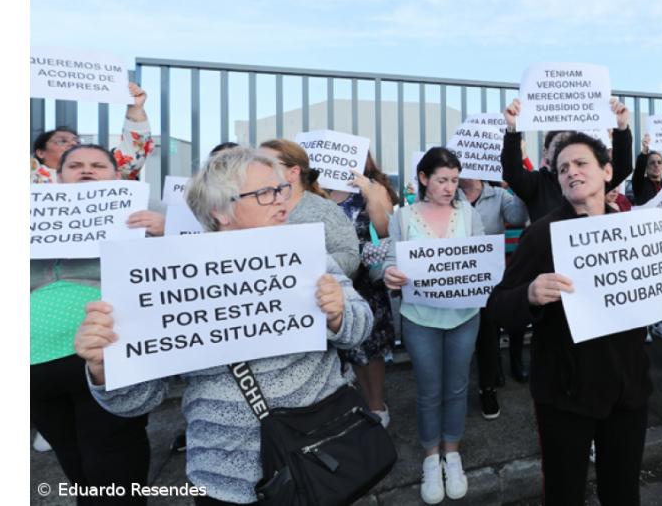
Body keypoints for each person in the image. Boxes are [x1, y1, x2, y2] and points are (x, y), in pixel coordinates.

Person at [74, 147, 374, 505]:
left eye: (281, 189)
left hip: (324, 452)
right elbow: (136, 401)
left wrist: (340, 314)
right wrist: (104, 369)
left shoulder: (308, 255)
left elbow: (360, 329)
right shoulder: (165, 277)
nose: (282, 201)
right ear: (220, 211)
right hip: (225, 477)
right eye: (266, 193)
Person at [486, 132, 662, 506]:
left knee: (622, 491)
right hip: (564, 392)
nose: (571, 172)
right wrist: (529, 295)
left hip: (628, 389)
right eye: (563, 168)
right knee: (564, 491)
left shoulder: (641, 229)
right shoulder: (541, 234)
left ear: (607, 171)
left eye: (581, 163)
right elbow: (497, 307)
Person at [31, 144, 152, 505]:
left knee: (114, 461)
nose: (87, 170)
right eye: (76, 165)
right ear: (57, 175)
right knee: (73, 461)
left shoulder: (139, 217)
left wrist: (165, 228)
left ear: (118, 176)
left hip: (105, 357)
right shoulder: (26, 215)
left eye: (98, 165)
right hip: (34, 363)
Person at [378, 147, 484, 504]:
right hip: (420, 318)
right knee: (427, 390)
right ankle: (430, 458)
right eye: (442, 180)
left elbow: (481, 259)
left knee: (456, 387)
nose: (449, 187)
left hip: (464, 317)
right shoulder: (403, 217)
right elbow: (391, 260)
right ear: (423, 179)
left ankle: (451, 454)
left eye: (454, 180)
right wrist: (390, 274)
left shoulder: (469, 214)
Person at [328, 152, 400, 428]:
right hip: (335, 279)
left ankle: (376, 403)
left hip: (366, 281)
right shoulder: (320, 193)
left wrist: (369, 194)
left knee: (372, 343)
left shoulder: (373, 187)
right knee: (351, 345)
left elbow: (384, 230)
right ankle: (364, 399)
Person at [458, 177, 530, 419]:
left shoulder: (498, 195)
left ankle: (487, 388)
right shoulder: (450, 193)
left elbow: (518, 217)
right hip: (455, 276)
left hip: (488, 277)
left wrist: (520, 184)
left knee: (488, 333)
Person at [501, 97, 634, 223]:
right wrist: (512, 129)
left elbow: (623, 166)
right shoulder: (536, 183)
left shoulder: (591, 178)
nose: (563, 151)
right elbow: (512, 172)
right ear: (545, 153)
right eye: (557, 146)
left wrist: (621, 127)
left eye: (567, 146)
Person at [258, 139, 361, 277]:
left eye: (266, 164)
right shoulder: (251, 206)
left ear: (293, 172)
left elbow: (350, 257)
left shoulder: (325, 210)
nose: (256, 169)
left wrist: (302, 267)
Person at [32, 82, 155, 184]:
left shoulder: (107, 173)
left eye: (77, 141)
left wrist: (136, 108)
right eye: (62, 141)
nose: (72, 144)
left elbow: (132, 153)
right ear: (41, 152)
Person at [631, 134, 662, 206]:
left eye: (659, 162)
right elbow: (639, 170)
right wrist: (645, 150)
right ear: (646, 167)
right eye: (652, 163)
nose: (656, 165)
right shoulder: (640, 184)